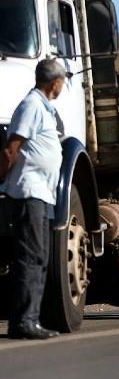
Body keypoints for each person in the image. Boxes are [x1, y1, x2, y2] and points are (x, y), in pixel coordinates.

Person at [0, 59, 67, 340]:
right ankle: (23, 322)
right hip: (28, 191)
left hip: (41, 193)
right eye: (63, 80)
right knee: (30, 257)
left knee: (39, 256)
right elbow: (11, 148)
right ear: (55, 83)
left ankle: (31, 319)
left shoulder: (44, 108)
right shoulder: (32, 106)